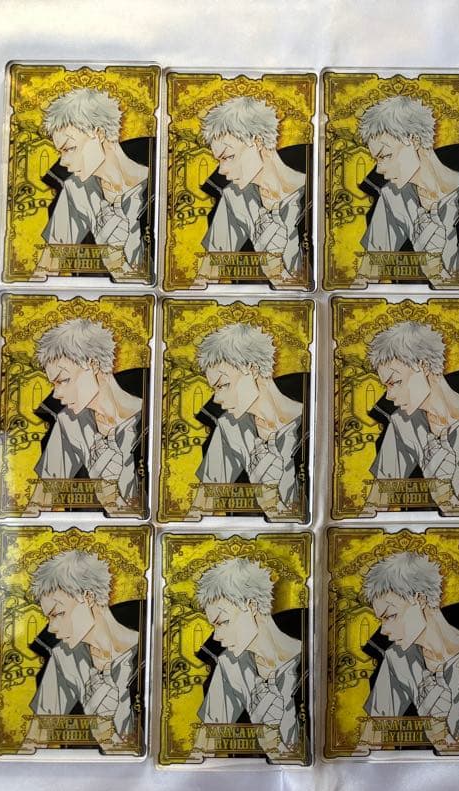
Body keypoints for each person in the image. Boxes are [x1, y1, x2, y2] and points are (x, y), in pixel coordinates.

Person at [358, 552, 459, 753]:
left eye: (391, 616)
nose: (383, 630)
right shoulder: (398, 658)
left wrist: (439, 734)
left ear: (419, 599)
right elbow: (369, 743)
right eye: (381, 620)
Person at [28, 318, 144, 515]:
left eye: (64, 380)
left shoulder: (153, 421)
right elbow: (38, 505)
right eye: (54, 384)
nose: (56, 394)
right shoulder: (70, 421)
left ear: (93, 364)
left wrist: (109, 496)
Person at [25, 550, 139, 750]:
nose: (51, 628)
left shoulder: (154, 652)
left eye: (58, 614)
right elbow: (35, 741)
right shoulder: (65, 656)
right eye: (49, 618)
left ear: (88, 597)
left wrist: (105, 733)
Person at [363, 321, 459, 515]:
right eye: (386, 386)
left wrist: (443, 493)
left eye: (395, 382)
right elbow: (375, 505)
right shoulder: (403, 422)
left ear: (422, 365)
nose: (389, 396)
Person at [194, 558, 303, 756]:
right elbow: (203, 748)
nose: (216, 637)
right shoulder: (230, 664)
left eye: (223, 622)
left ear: (251, 606)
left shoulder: (310, 662)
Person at [193, 323, 304, 517]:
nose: (216, 399)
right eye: (214, 389)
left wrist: (270, 501)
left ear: (251, 369)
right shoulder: (230, 426)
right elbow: (200, 511)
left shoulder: (313, 425)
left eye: (223, 385)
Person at [40, 88, 151, 276]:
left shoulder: (161, 186)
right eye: (61, 152)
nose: (63, 162)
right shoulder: (76, 189)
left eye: (70, 148)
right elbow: (46, 270)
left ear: (98, 133)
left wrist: (115, 262)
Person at [356, 95, 459, 284]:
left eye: (385, 156)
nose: (379, 169)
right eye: (376, 159)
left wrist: (435, 269)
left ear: (413, 140)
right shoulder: (393, 196)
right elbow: (366, 277)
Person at [200, 96, 307, 279]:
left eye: (229, 157)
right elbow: (207, 276)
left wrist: (275, 270)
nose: (222, 171)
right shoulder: (235, 196)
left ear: (257, 142)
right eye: (219, 160)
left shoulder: (315, 194)